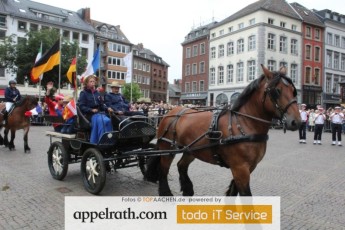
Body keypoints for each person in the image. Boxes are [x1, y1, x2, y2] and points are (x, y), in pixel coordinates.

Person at [77, 75, 112, 144]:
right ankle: (100, 141)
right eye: (91, 81)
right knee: (102, 121)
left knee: (108, 120)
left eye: (93, 81)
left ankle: (108, 139)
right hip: (88, 115)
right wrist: (91, 110)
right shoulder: (83, 93)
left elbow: (102, 105)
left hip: (99, 113)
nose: (93, 82)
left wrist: (107, 108)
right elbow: (81, 106)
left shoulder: (97, 93)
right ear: (87, 83)